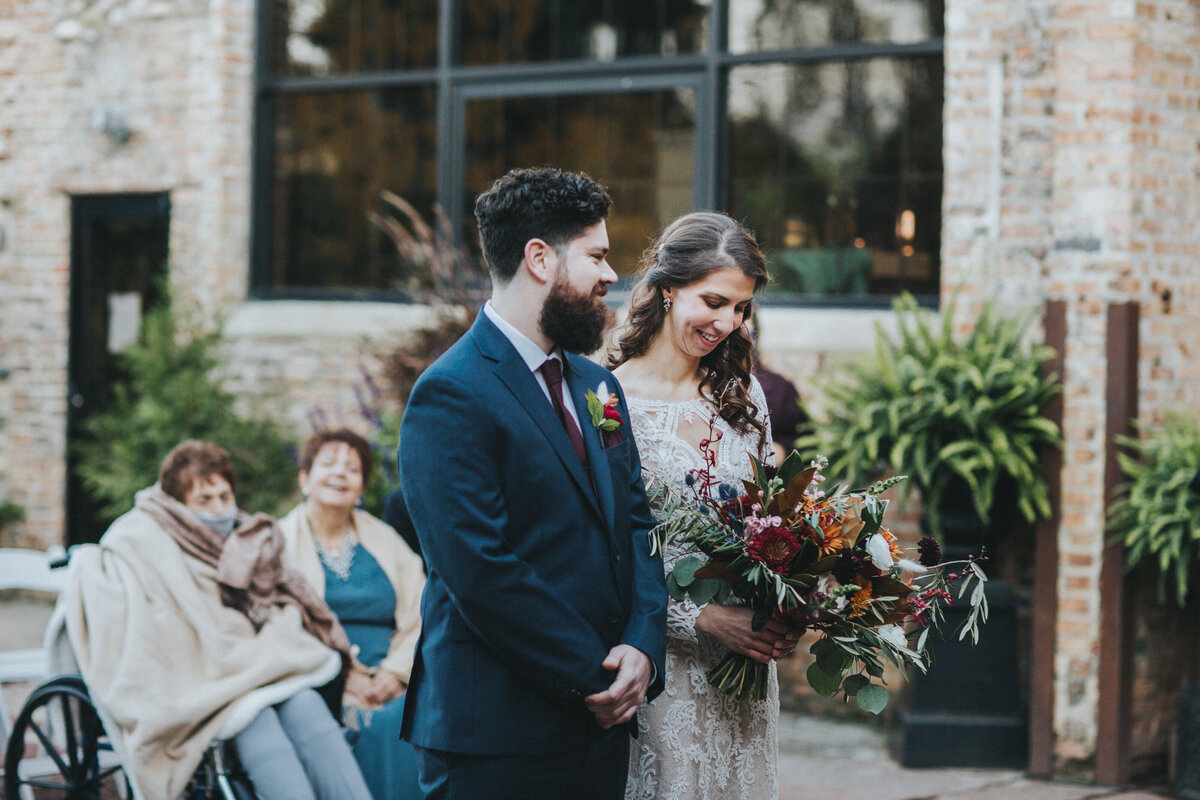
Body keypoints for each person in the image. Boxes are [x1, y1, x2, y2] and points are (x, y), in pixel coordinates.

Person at [398, 167, 668, 800]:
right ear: (540, 259)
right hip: (495, 736)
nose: (611, 276)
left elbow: (640, 529)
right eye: (597, 256)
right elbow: (480, 569)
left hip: (599, 730)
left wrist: (642, 646)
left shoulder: (597, 385)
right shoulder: (451, 393)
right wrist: (596, 675)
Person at [608, 212, 800, 800]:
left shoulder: (743, 396)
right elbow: (604, 548)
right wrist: (700, 618)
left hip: (740, 676)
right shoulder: (607, 398)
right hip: (661, 666)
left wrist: (792, 598)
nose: (727, 323)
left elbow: (769, 517)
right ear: (667, 288)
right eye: (714, 301)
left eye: (741, 308)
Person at [62, 440, 373, 800]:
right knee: (258, 723)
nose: (220, 509)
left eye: (225, 496)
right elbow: (161, 626)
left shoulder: (252, 540)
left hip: (260, 663)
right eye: (204, 501)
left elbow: (281, 604)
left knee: (307, 705)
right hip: (204, 678)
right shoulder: (144, 539)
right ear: (178, 506)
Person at [280, 428, 426, 800]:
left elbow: (422, 611)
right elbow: (279, 628)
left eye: (352, 468)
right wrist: (341, 677)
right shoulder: (278, 544)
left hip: (396, 679)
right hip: (320, 680)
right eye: (328, 464)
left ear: (361, 487)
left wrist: (395, 674)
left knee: (412, 717)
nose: (340, 474)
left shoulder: (387, 541)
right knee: (376, 725)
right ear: (304, 478)